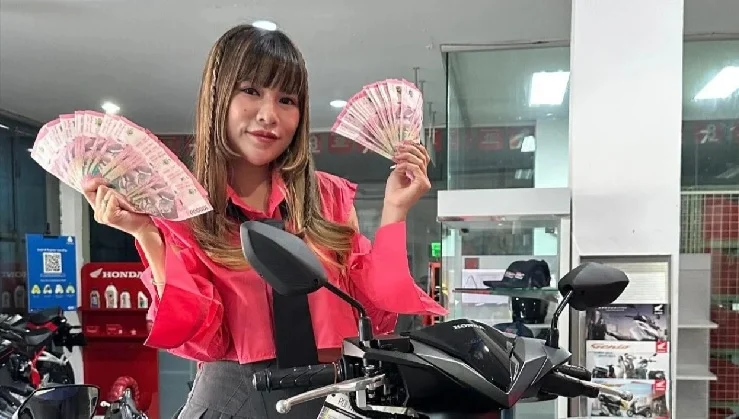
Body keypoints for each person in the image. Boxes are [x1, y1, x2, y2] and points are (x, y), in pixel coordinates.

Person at [82, 23, 447, 419]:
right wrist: (146, 234)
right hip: (233, 399)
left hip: (334, 393)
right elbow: (201, 337)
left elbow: (374, 313)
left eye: (286, 99)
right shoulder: (184, 209)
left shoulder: (329, 197)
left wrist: (395, 210)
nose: (269, 115)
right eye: (251, 91)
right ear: (218, 97)